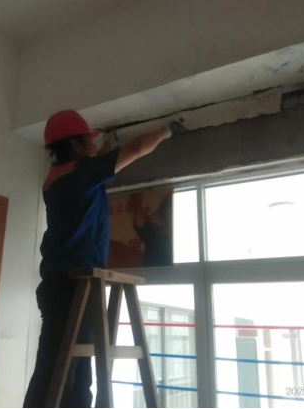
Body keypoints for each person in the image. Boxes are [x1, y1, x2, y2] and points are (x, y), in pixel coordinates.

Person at [24, 110, 185, 408]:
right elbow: (137, 149)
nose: (94, 144)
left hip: (62, 284)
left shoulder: (58, 177)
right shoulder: (82, 175)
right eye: (89, 139)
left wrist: (109, 142)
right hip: (73, 286)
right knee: (58, 373)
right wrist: (168, 129)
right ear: (74, 144)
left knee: (70, 368)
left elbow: (98, 160)